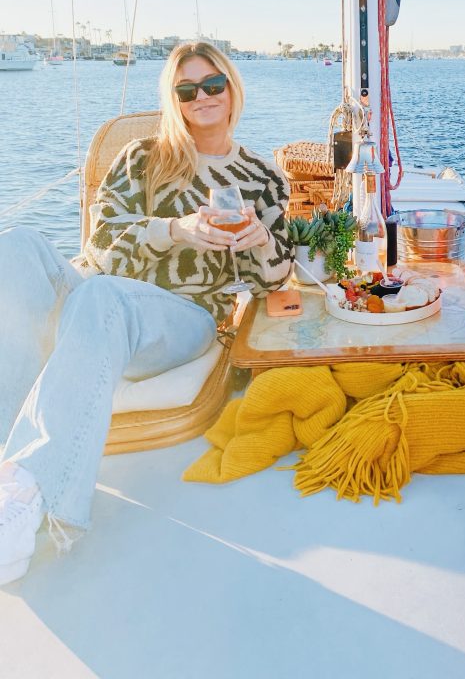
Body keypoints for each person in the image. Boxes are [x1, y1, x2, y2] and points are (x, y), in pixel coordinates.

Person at [0, 41, 293, 585]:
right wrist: (175, 230)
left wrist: (256, 241)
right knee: (14, 246)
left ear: (232, 88)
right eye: (187, 89)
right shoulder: (142, 158)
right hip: (99, 296)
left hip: (184, 319)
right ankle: (5, 466)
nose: (202, 97)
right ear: (174, 100)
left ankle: (29, 502)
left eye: (213, 84)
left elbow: (275, 277)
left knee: (101, 296)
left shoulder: (262, 176)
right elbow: (102, 244)